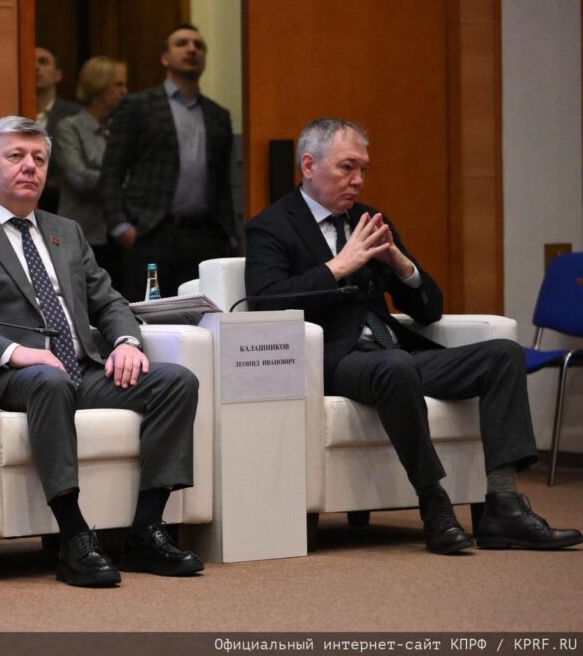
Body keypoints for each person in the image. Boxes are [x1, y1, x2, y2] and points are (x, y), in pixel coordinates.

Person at [244, 117, 582, 554]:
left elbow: (429, 310)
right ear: (309, 166)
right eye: (347, 167)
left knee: (503, 355)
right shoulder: (272, 226)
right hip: (333, 360)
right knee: (395, 366)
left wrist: (403, 267)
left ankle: (503, 505)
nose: (358, 180)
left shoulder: (367, 220)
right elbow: (265, 302)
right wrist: (339, 266)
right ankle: (434, 503)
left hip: (395, 352)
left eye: (363, 169)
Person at [0, 115, 204, 587]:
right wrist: (15, 352)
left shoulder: (66, 231)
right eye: (16, 156)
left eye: (39, 158)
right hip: (16, 378)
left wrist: (127, 342)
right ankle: (73, 537)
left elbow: (108, 301)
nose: (30, 167)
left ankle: (145, 530)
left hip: (83, 370)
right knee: (49, 381)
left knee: (176, 381)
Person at [99, 23, 236, 302]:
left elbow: (222, 181)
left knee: (205, 313)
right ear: (164, 58)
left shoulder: (218, 115)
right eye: (182, 43)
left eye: (198, 45)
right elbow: (111, 172)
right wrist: (120, 226)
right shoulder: (139, 106)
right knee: (147, 313)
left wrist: (230, 235)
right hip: (151, 232)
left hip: (206, 236)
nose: (191, 49)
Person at [55, 55, 129, 289]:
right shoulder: (69, 127)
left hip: (117, 233)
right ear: (98, 86)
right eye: (118, 85)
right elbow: (78, 178)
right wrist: (118, 184)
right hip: (82, 232)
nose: (124, 91)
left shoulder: (120, 129)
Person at [36, 46, 83, 214]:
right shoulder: (11, 111)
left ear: (58, 75)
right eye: (29, 62)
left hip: (62, 206)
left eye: (43, 62)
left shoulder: (74, 114)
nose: (35, 67)